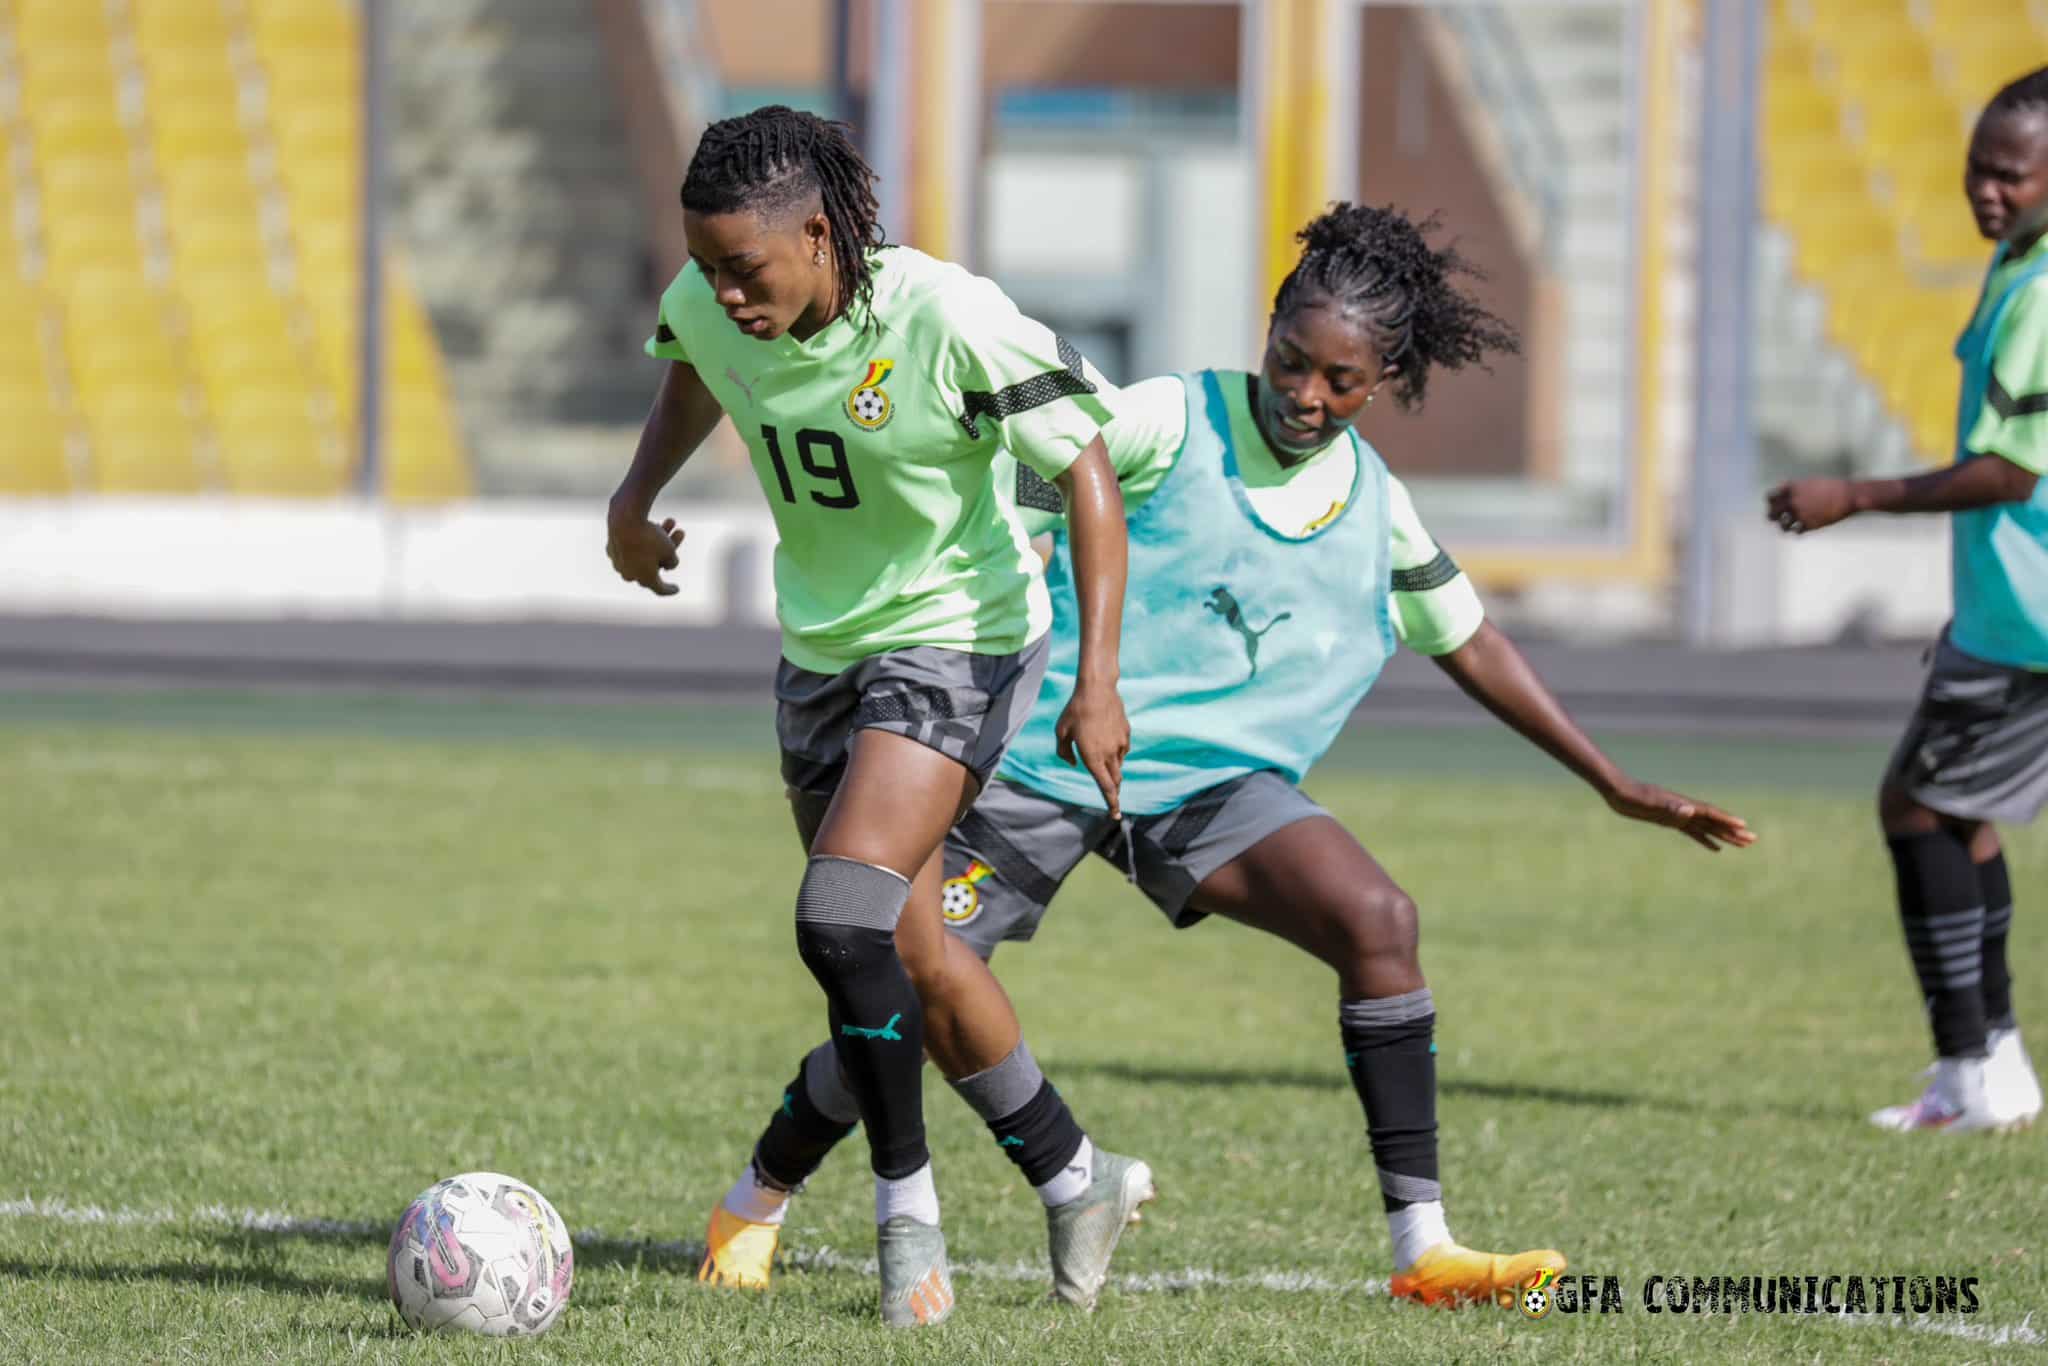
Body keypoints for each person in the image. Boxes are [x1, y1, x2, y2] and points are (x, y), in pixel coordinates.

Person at [701, 202, 1756, 1310]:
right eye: (1288, 362)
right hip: (1046, 768)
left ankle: (1423, 1248)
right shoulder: (1173, 416)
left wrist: (1613, 783)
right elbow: (1056, 461)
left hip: (1210, 792)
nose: (1303, 395)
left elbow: (1472, 641)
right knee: (911, 976)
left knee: (1379, 921)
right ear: (1265, 333)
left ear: (1384, 379)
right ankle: (757, 1195)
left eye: (1337, 382)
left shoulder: (1376, 506)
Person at [605, 106, 1139, 1327]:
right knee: (900, 951)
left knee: (837, 915)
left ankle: (908, 1219)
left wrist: (1097, 680)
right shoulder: (711, 300)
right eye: (705, 264)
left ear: (817, 230)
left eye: (746, 268)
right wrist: (634, 500)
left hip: (961, 634)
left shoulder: (946, 316)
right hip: (819, 652)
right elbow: (694, 366)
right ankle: (1074, 1172)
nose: (724, 292)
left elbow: (1086, 471)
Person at [1767, 66, 2048, 1134]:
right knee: (1957, 817)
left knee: (1914, 807)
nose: (1986, 191)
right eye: (1977, 170)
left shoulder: (2035, 292)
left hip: (2023, 623)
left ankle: (1967, 1070)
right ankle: (1994, 1063)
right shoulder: (2015, 265)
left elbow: (2008, 472)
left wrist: (1853, 495)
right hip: (2005, 611)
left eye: (2009, 176)